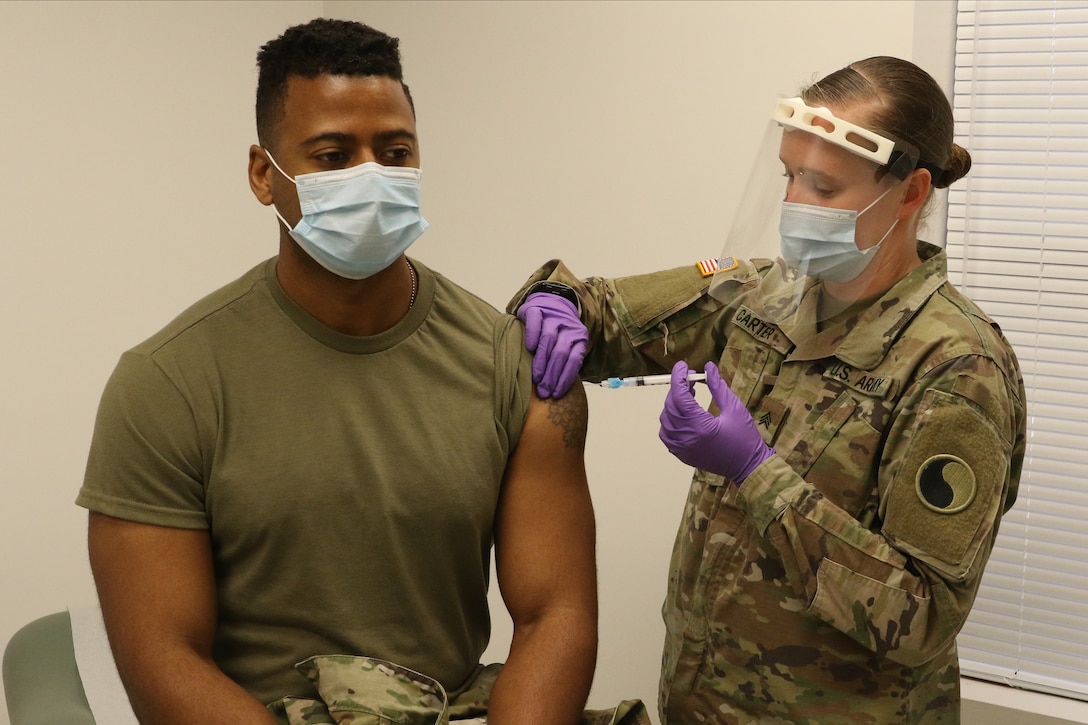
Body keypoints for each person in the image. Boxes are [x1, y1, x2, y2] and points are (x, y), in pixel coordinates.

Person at [75, 18, 607, 725]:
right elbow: (165, 658)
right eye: (332, 155)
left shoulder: (517, 367)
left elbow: (555, 614)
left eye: (394, 152)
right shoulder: (166, 384)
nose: (371, 177)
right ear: (266, 175)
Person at [509, 56, 1026, 724]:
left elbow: (922, 615)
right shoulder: (766, 295)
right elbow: (604, 314)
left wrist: (755, 472)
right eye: (789, 177)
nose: (794, 205)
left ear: (909, 192)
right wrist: (553, 300)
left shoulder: (958, 366)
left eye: (823, 185)